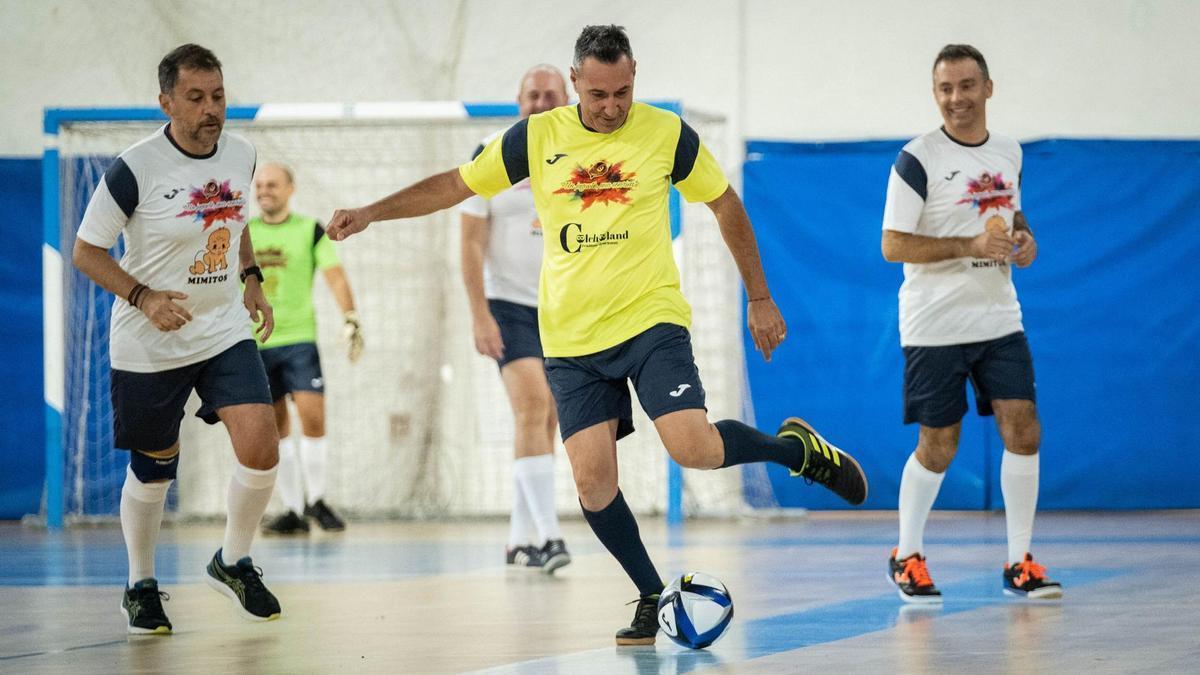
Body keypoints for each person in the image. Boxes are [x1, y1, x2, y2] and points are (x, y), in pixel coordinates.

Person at [325, 25, 868, 645]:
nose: (611, 107)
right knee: (591, 482)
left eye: (624, 92)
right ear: (575, 81)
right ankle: (650, 594)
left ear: (635, 76)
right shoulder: (535, 138)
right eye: (599, 94)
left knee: (691, 447)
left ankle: (795, 452)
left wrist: (761, 296)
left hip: (650, 320)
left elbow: (725, 205)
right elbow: (455, 184)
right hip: (572, 340)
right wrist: (371, 211)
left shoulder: (666, 134)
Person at [73, 44, 283, 634]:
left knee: (262, 443)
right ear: (165, 101)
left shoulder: (241, 153)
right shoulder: (134, 168)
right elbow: (86, 251)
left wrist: (251, 280)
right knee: (157, 466)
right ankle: (140, 583)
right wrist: (143, 297)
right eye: (195, 98)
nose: (210, 109)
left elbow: (235, 222)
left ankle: (233, 561)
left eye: (217, 96)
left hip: (221, 330)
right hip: (150, 339)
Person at [880, 44, 1062, 604]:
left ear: (988, 88)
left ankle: (1018, 562)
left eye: (965, 86)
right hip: (934, 324)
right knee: (940, 443)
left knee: (1023, 427)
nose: (956, 98)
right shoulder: (918, 158)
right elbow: (892, 245)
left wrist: (1024, 242)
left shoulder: (1009, 153)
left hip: (999, 316)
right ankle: (906, 555)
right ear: (935, 94)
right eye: (944, 89)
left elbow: (1012, 218)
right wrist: (970, 244)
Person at [460, 64, 571, 573]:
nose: (542, 103)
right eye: (533, 95)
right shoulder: (491, 152)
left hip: (565, 307)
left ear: (568, 98)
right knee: (532, 407)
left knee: (546, 417)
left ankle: (518, 537)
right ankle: (550, 537)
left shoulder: (580, 153)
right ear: (518, 99)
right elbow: (470, 240)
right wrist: (480, 314)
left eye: (552, 95)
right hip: (509, 305)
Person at [251, 162, 363, 535]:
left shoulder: (310, 230)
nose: (265, 190)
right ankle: (293, 510)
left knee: (314, 420)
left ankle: (316, 499)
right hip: (257, 343)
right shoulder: (243, 235)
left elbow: (335, 275)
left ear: (290, 189)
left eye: (273, 184)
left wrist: (350, 317)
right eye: (260, 185)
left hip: (299, 341)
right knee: (275, 429)